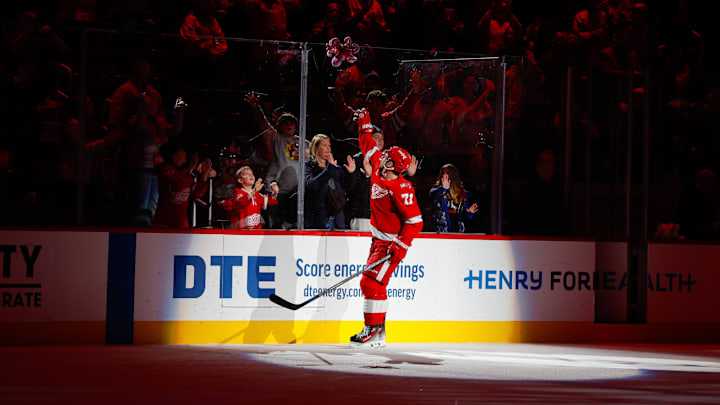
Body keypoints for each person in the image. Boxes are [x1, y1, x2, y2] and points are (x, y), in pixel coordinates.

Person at [350, 108, 423, 348]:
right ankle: (378, 332)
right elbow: (368, 146)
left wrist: (399, 248)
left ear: (395, 165)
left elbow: (415, 222)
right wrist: (364, 124)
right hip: (377, 239)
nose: (383, 159)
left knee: (370, 283)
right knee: (376, 284)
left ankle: (371, 330)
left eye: (388, 159)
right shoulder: (380, 162)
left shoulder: (402, 189)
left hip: (390, 242)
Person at [245, 91, 309, 229]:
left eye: (292, 122)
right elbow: (263, 124)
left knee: (291, 222)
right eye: (285, 122)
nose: (289, 124)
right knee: (273, 223)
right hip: (276, 189)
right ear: (279, 126)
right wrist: (256, 107)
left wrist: (307, 155)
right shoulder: (276, 138)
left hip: (297, 191)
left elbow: (315, 160)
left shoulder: (305, 143)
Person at [153, 143, 213, 228]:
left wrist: (205, 173)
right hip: (163, 225)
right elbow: (176, 185)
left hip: (181, 226)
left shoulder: (184, 173)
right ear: (174, 154)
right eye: (183, 151)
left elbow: (196, 194)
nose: (185, 154)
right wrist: (191, 169)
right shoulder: (164, 170)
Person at [304, 134, 356, 230]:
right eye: (324, 145)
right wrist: (330, 169)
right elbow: (313, 185)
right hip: (318, 219)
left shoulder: (335, 168)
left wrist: (351, 173)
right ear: (315, 147)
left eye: (329, 146)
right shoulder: (308, 166)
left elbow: (350, 187)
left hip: (337, 219)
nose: (328, 149)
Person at [429, 164, 479, 233]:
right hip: (441, 229)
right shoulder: (438, 189)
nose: (444, 175)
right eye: (443, 173)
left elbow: (467, 216)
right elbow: (432, 196)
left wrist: (469, 212)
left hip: (457, 230)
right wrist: (443, 188)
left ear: (453, 176)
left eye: (447, 173)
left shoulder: (462, 193)